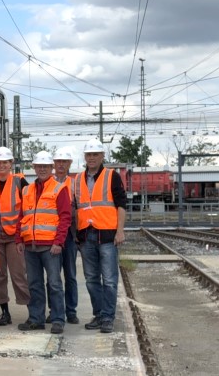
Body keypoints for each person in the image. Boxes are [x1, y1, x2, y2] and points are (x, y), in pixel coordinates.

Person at [74, 139, 127, 334]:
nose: (92, 158)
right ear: (85, 157)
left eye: (95, 154)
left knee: (110, 279)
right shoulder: (78, 179)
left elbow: (121, 204)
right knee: (91, 279)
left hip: (107, 236)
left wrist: (120, 230)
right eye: (89, 155)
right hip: (86, 236)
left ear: (102, 156)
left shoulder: (111, 176)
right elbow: (76, 207)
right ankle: (99, 314)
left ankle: (108, 317)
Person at [16, 151, 71, 335]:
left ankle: (57, 320)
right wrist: (19, 239)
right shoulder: (27, 190)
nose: (42, 169)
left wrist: (59, 242)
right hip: (30, 245)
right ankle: (36, 319)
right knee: (34, 284)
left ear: (51, 168)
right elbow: (22, 216)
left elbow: (65, 217)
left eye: (45, 167)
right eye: (39, 166)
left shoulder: (59, 188)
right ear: (34, 168)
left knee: (54, 283)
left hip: (50, 246)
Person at [0, 147, 30, 327]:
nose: (2, 165)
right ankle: (5, 312)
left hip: (14, 237)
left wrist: (22, 235)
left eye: (5, 162)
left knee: (19, 275)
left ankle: (32, 312)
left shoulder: (20, 182)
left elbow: (28, 209)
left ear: (11, 164)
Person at [50, 147, 79, 324]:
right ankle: (54, 310)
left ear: (69, 164)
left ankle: (71, 311)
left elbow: (79, 207)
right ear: (54, 164)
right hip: (51, 234)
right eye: (58, 162)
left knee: (70, 274)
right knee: (53, 276)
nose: (61, 165)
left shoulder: (75, 184)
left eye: (64, 162)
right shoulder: (48, 183)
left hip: (69, 234)